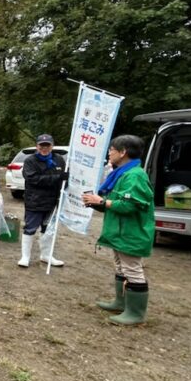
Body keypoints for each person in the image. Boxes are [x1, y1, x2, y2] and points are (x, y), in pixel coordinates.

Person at [83, 135, 155, 325]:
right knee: (121, 267)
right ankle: (120, 302)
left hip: (131, 233)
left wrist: (103, 202)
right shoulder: (121, 173)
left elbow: (130, 205)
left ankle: (136, 313)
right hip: (119, 231)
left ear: (123, 152)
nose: (109, 153)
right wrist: (95, 203)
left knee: (132, 269)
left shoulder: (135, 176)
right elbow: (113, 203)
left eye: (112, 150)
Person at [18, 134, 66, 268]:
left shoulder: (59, 160)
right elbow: (34, 179)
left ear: (52, 146)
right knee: (30, 228)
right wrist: (57, 177)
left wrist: (64, 181)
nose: (44, 148)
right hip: (35, 200)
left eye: (47, 145)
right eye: (41, 146)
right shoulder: (30, 161)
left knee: (48, 229)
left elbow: (63, 179)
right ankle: (25, 257)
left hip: (53, 201)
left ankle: (46, 255)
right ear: (37, 146)